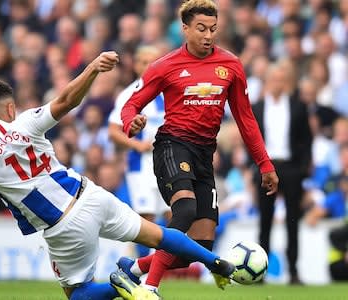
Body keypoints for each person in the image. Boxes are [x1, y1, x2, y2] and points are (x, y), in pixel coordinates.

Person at [0, 51, 235, 300]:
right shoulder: (28, 121)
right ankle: (217, 262)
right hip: (92, 194)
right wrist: (92, 68)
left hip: (63, 227)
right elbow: (65, 101)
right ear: (11, 108)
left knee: (79, 294)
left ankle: (122, 281)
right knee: (160, 236)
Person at [118, 0, 279, 293]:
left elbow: (246, 119)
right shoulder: (165, 66)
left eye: (213, 29)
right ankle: (149, 288)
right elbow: (130, 105)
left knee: (198, 247)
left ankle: (135, 267)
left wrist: (265, 163)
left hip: (205, 153)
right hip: (172, 145)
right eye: (201, 29)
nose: (208, 35)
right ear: (185, 29)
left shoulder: (230, 65)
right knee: (186, 209)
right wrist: (132, 121)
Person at [252, 62, 312, 284]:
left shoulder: (298, 106)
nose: (278, 83)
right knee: (265, 220)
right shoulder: (257, 107)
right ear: (267, 81)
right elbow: (250, 140)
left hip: (291, 168)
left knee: (292, 220)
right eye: (274, 79)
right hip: (265, 167)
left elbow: (306, 140)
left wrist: (302, 169)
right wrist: (254, 168)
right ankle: (259, 271)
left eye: (281, 79)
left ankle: (294, 271)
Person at [108, 45, 171, 258]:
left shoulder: (169, 92)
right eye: (144, 62)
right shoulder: (128, 94)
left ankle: (168, 265)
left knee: (173, 214)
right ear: (136, 65)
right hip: (140, 165)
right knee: (146, 217)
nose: (148, 66)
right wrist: (137, 145)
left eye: (153, 62)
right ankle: (144, 263)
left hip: (167, 162)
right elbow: (113, 131)